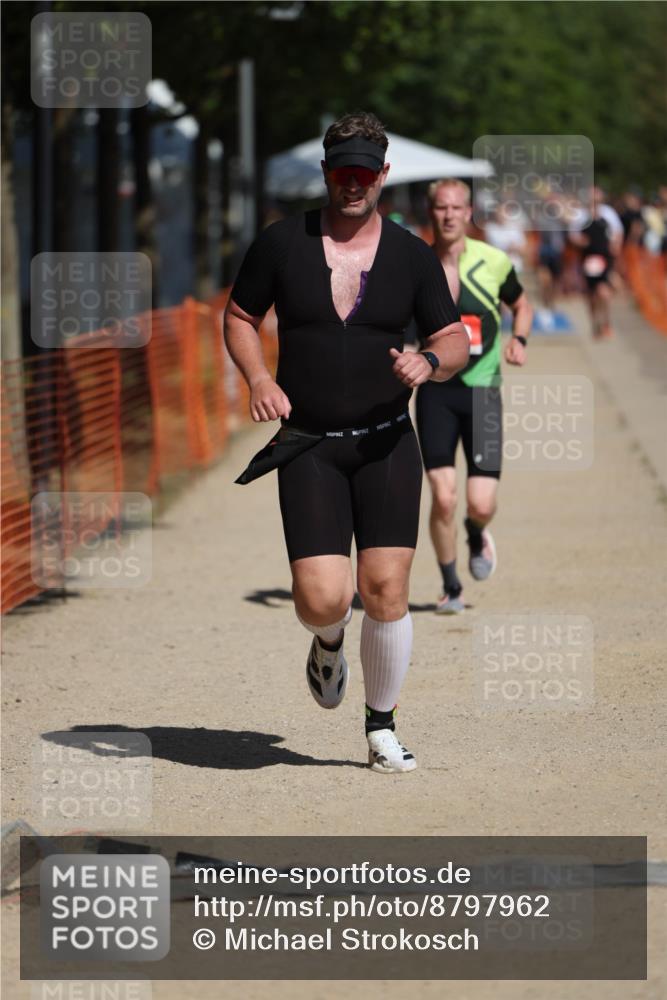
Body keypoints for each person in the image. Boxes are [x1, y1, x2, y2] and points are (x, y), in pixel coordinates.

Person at [224, 113, 468, 772]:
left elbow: (454, 336)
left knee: (386, 588)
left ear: (383, 176)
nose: (353, 183)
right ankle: (327, 640)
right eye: (342, 171)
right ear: (327, 173)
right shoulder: (281, 244)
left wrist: (430, 362)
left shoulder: (411, 255)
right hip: (307, 444)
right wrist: (257, 376)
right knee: (322, 596)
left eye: (365, 172)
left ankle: (380, 727)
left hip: (386, 442)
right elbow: (241, 316)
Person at [416, 179, 533, 614]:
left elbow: (522, 305)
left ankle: (475, 530)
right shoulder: (416, 264)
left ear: (469, 213)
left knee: (481, 502)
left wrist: (519, 339)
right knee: (442, 495)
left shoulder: (495, 261)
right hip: (435, 392)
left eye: (457, 207)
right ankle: (451, 586)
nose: (448, 215)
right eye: (441, 207)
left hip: (483, 391)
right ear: (432, 213)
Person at [569, 186, 622, 339]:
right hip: (588, 261)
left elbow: (617, 232)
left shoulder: (608, 214)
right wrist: (581, 242)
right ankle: (595, 323)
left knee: (604, 293)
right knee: (591, 296)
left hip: (605, 259)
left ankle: (606, 322)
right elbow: (573, 236)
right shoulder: (580, 216)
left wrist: (615, 245)